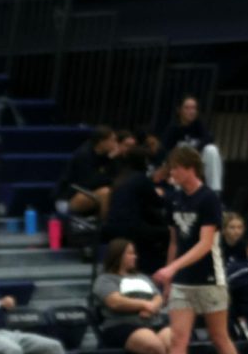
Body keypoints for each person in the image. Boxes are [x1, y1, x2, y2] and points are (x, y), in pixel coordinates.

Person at [138, 146, 248, 354]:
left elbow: (204, 244)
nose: (171, 173)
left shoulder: (209, 199)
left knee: (219, 337)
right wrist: (170, 278)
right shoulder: (175, 200)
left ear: (189, 168)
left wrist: (171, 268)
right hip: (183, 284)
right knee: (178, 341)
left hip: (211, 280)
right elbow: (175, 241)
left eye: (175, 168)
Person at [93, 239, 171, 354]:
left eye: (134, 253)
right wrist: (144, 305)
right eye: (130, 253)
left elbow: (158, 297)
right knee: (154, 346)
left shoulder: (142, 278)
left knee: (174, 342)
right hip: (121, 326)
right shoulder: (105, 280)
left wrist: (152, 307)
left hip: (152, 322)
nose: (134, 256)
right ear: (118, 256)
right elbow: (115, 302)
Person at [103, 146, 169, 276]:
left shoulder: (120, 177)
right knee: (169, 233)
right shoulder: (140, 179)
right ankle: (160, 270)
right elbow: (158, 202)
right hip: (130, 228)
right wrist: (163, 194)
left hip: (112, 227)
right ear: (144, 162)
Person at [161, 95, 222, 193]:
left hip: (196, 162)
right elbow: (165, 152)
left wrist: (194, 150)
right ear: (179, 110)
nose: (191, 111)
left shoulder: (199, 126)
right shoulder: (172, 129)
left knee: (212, 149)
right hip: (178, 166)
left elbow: (209, 138)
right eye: (187, 108)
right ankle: (179, 198)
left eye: (194, 108)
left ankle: (214, 193)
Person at [56, 126, 117, 220]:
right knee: (105, 192)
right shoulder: (84, 155)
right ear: (102, 142)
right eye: (112, 140)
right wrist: (109, 161)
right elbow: (89, 182)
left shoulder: (105, 155)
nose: (115, 144)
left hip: (89, 192)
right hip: (70, 196)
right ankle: (105, 228)